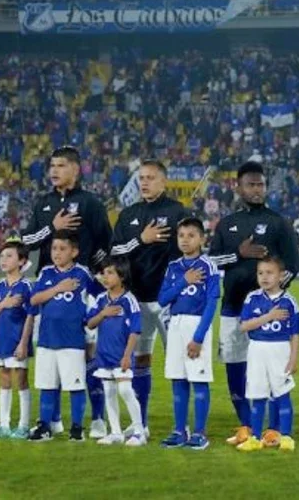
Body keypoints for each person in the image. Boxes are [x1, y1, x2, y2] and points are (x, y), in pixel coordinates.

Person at [20, 146, 112, 437]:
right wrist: (52, 227)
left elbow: (105, 246)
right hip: (50, 295)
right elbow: (27, 243)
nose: (54, 171)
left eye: (60, 165)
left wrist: (92, 278)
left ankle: (95, 418)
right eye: (52, 166)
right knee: (52, 355)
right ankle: (53, 420)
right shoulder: (44, 204)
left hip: (83, 294)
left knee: (88, 357)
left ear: (76, 169)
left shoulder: (90, 204)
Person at [208, 162, 299, 447]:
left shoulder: (278, 223)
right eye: (251, 184)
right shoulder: (226, 224)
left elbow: (293, 266)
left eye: (260, 184)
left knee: (273, 372)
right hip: (233, 308)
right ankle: (247, 426)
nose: (257, 189)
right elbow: (212, 263)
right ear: (239, 187)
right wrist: (239, 253)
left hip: (270, 314)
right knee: (235, 368)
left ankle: (273, 429)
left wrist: (270, 295)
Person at [110, 160, 190, 427]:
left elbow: (189, 251)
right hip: (137, 299)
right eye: (141, 178)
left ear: (163, 181)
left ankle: (182, 426)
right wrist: (141, 240)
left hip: (169, 300)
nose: (144, 182)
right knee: (140, 359)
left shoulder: (177, 212)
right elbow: (115, 253)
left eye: (150, 178)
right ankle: (139, 422)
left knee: (179, 362)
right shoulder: (128, 214)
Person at [27, 233, 105, 442]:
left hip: (72, 340)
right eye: (54, 249)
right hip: (46, 339)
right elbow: (34, 299)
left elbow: (102, 292)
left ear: (74, 252)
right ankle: (44, 426)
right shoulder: (46, 273)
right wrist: (58, 288)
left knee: (75, 385)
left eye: (62, 249)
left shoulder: (82, 274)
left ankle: (77, 428)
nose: (57, 253)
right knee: (47, 385)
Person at [157, 218, 221, 451]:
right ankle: (179, 429)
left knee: (199, 379)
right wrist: (184, 281)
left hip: (196, 325)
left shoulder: (208, 266)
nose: (185, 239)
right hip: (175, 325)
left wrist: (198, 337)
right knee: (178, 378)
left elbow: (212, 304)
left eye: (191, 235)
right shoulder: (174, 267)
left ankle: (199, 432)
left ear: (202, 239)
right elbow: (163, 299)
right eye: (181, 235)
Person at [235, 256, 299, 453]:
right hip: (257, 349)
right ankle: (256, 437)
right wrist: (268, 316)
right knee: (257, 395)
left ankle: (287, 436)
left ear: (281, 275)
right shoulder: (252, 298)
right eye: (260, 273)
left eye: (269, 273)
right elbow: (244, 326)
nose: (264, 277)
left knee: (282, 394)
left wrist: (293, 358)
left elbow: (295, 334)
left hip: (280, 350)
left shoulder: (289, 302)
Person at [85, 258, 145, 446]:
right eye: (104, 273)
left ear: (122, 276)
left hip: (122, 355)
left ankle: (139, 431)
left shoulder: (129, 300)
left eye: (110, 273)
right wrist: (103, 314)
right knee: (109, 391)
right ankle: (116, 432)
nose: (105, 277)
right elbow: (90, 323)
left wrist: (127, 355)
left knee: (125, 390)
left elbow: (135, 330)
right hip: (104, 355)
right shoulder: (102, 299)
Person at [0, 240, 35, 439]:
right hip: (0, 342)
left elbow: (30, 316)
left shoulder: (26, 287)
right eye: (2, 256)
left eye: (9, 256)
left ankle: (23, 425)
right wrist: (4, 304)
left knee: (21, 380)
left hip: (17, 342)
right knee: (4, 380)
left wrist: (23, 343)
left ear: (22, 261)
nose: (3, 260)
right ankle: (4, 425)